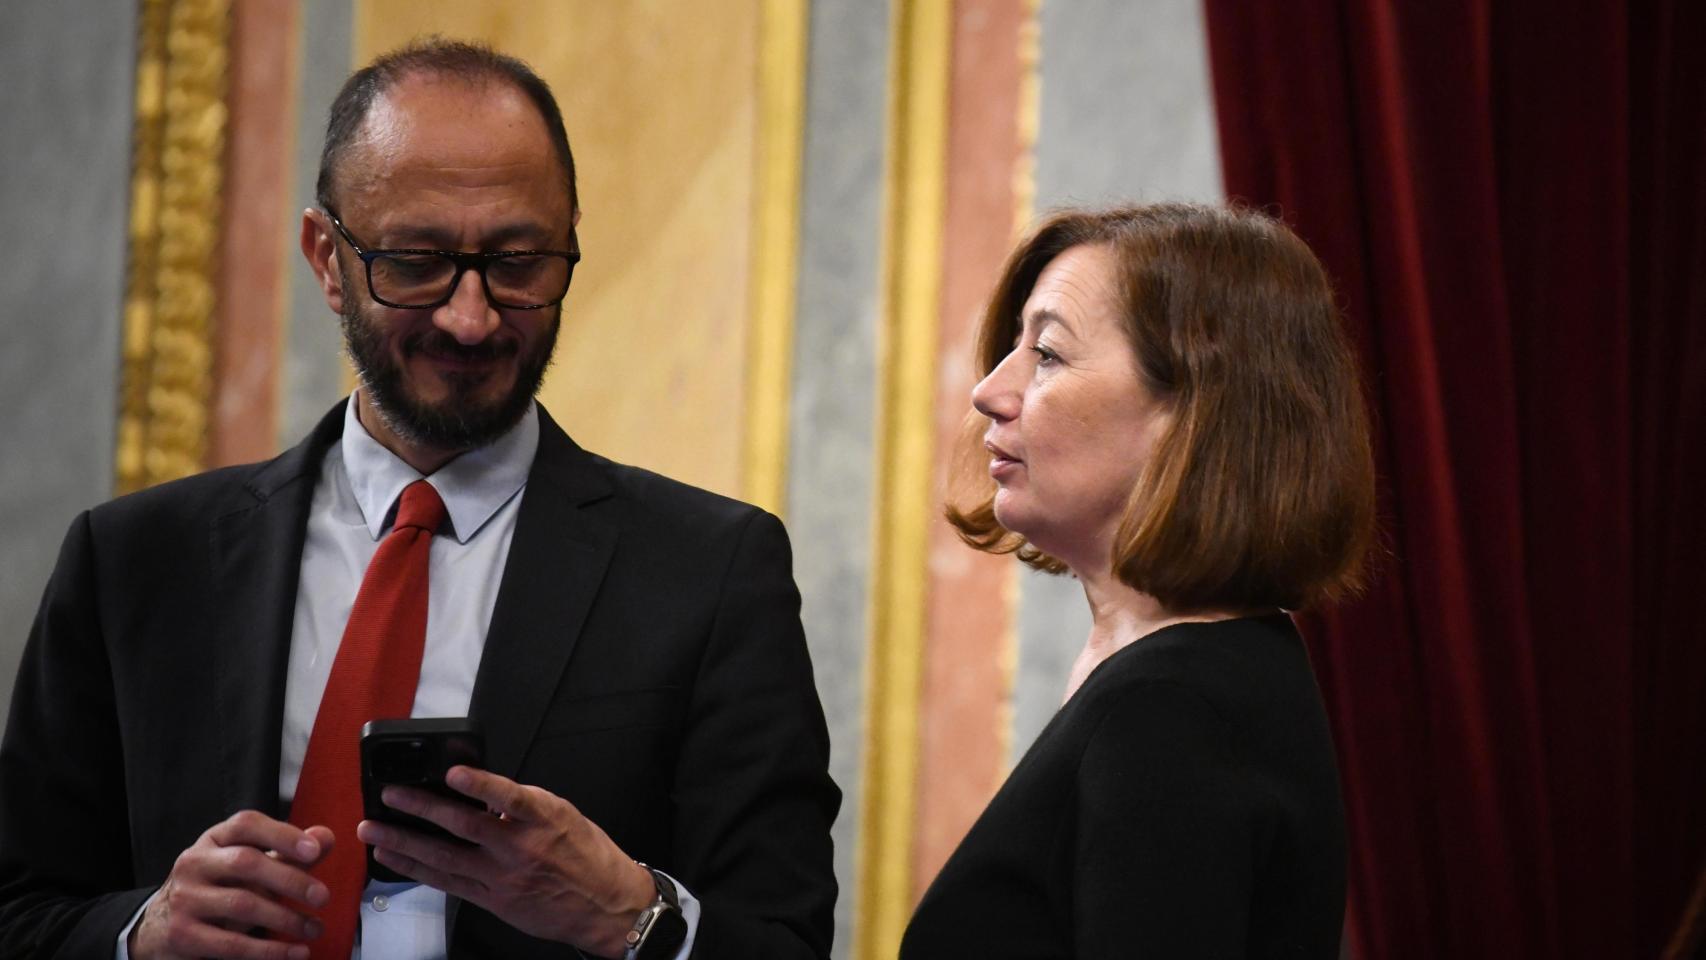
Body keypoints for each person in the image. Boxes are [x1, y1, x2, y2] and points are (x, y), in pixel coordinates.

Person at [0, 40, 839, 960]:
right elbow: (20, 908)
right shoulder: (134, 562)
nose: (471, 317)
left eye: (520, 263)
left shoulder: (711, 573)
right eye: (415, 261)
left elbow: (783, 940)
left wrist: (627, 915)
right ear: (327, 259)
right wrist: (139, 936)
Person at [901, 203, 1376, 957]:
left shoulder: (1170, 710)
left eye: (1048, 354)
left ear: (1192, 409)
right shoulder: (1205, 675)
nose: (989, 390)